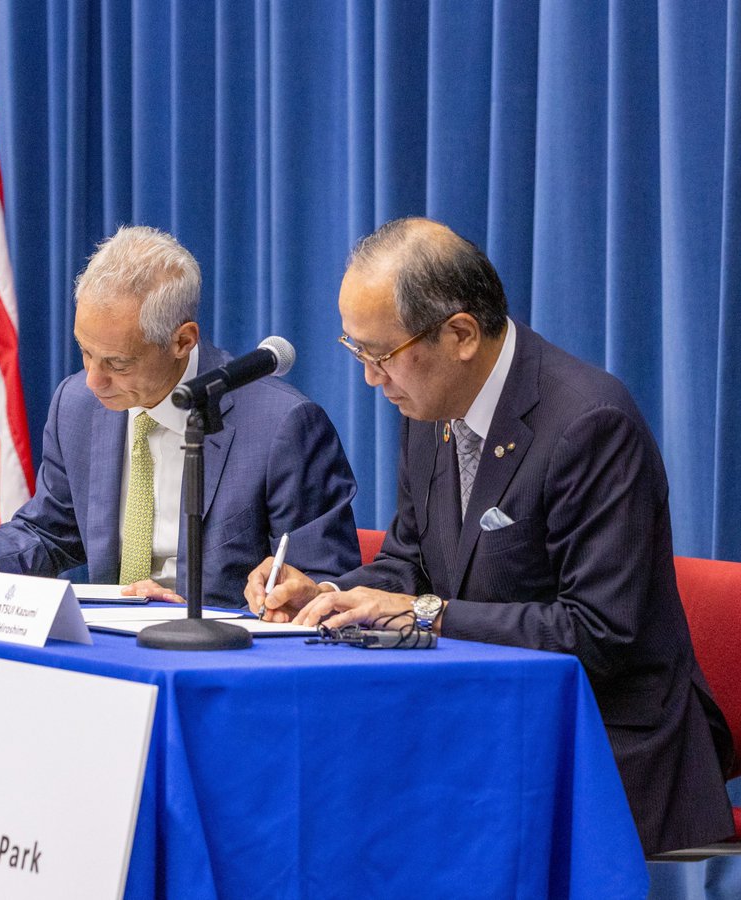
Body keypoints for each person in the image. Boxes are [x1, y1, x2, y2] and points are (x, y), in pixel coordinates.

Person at [245, 217, 734, 853]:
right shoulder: (429, 407)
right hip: (480, 723)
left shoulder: (590, 424)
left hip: (597, 744)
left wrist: (424, 614)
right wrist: (327, 593)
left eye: (381, 355)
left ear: (461, 334)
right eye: (356, 350)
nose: (369, 377)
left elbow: (597, 634)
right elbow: (409, 563)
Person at [0, 224, 360, 608]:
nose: (93, 380)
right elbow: (52, 529)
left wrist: (276, 595)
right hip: (109, 652)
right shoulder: (75, 404)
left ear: (183, 341)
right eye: (85, 352)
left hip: (219, 655)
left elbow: (318, 581)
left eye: (117, 363)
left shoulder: (282, 425)